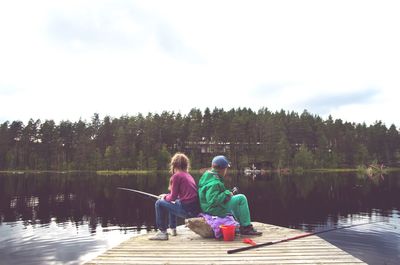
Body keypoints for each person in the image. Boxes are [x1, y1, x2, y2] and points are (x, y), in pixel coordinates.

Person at [198, 155, 262, 235]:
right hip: (213, 209)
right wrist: (227, 193)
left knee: (235, 200)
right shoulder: (214, 182)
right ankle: (246, 228)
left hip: (208, 207)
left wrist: (227, 195)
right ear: (223, 169)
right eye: (226, 169)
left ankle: (241, 225)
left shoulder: (209, 176)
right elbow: (213, 201)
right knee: (241, 198)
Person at [149, 153, 200, 240]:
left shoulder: (176, 176)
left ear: (174, 165)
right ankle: (173, 229)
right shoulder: (188, 175)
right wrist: (166, 196)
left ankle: (162, 232)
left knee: (159, 203)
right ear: (186, 165)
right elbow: (175, 197)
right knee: (173, 202)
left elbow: (172, 197)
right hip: (194, 210)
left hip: (187, 211)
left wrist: (163, 198)